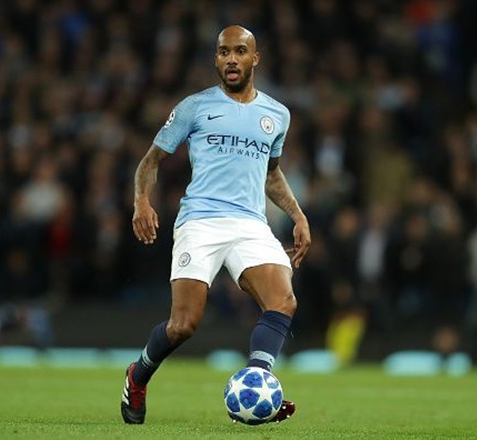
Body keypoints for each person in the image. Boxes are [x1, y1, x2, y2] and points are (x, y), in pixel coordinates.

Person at [121, 25, 311, 424]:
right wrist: (141, 201)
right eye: (224, 52)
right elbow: (150, 161)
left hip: (250, 223)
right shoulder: (194, 107)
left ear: (255, 58)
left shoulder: (277, 114)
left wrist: (297, 215)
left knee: (283, 301)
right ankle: (138, 376)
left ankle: (257, 385)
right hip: (201, 222)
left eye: (240, 51)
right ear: (216, 59)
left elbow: (271, 173)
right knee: (183, 325)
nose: (231, 59)